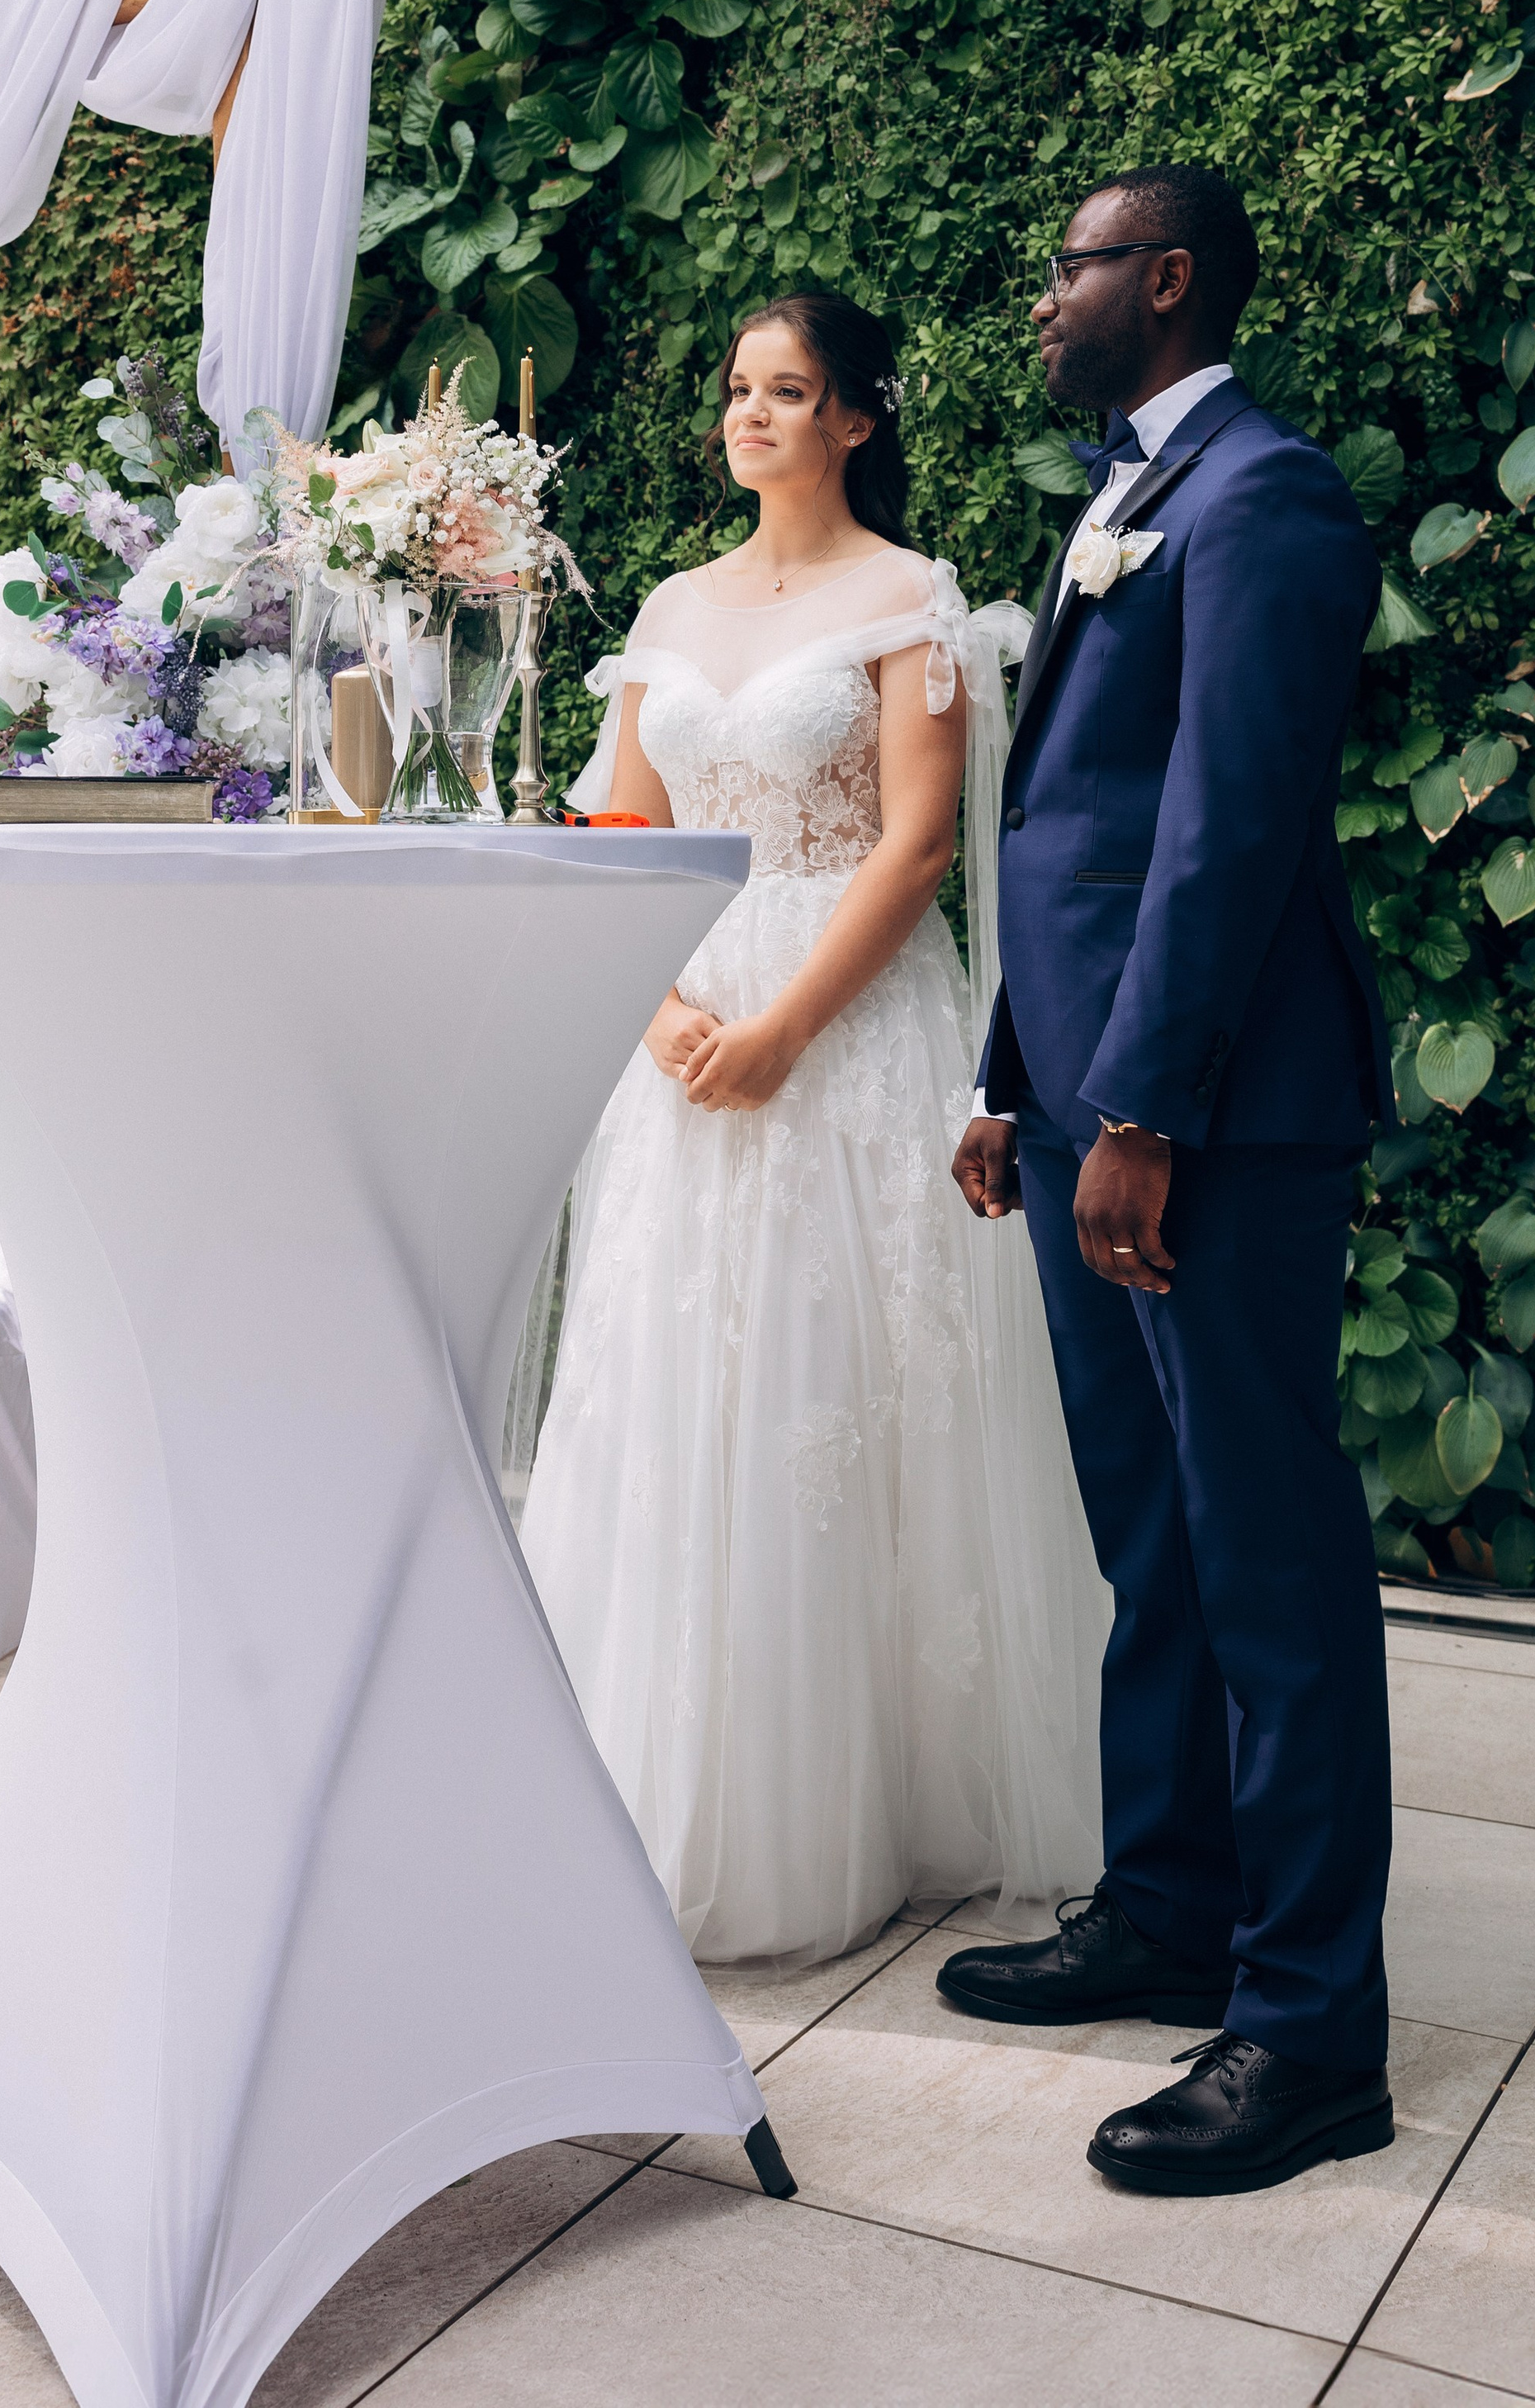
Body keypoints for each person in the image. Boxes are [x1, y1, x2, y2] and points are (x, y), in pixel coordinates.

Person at [516, 290, 1109, 1966]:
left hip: (840, 1027)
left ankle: (878, 1802)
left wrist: (779, 1028)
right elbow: (609, 824)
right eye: (736, 390)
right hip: (683, 1020)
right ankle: (652, 1781)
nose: (750, 415)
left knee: (838, 1388)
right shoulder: (669, 604)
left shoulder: (905, 600)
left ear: (856, 417)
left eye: (787, 392)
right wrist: (656, 1012)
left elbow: (918, 848)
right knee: (669, 1377)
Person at [941, 163, 1398, 2197]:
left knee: (1269, 1561)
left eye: (1074, 262)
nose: (1045, 295)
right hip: (1075, 1099)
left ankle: (1307, 2031)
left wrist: (1139, 1112)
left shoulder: (1265, 497)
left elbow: (1222, 829)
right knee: (1150, 1534)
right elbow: (1065, 823)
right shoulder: (1124, 495)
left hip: (1202, 1112)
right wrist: (1008, 1077)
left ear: (1170, 278)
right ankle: (1166, 1906)